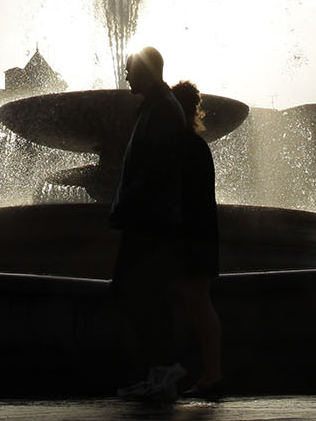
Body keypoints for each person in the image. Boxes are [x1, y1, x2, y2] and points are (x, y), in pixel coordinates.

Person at [110, 46, 188, 402]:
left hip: (150, 221)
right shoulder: (156, 107)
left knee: (143, 296)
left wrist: (129, 201)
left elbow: (156, 167)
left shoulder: (164, 109)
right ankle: (156, 372)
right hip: (146, 217)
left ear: (146, 70)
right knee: (137, 294)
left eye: (130, 69)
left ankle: (163, 369)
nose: (125, 75)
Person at [172, 80, 225, 398]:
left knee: (197, 302)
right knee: (197, 302)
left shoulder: (185, 146)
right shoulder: (196, 145)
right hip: (200, 233)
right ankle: (209, 373)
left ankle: (211, 373)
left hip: (190, 235)